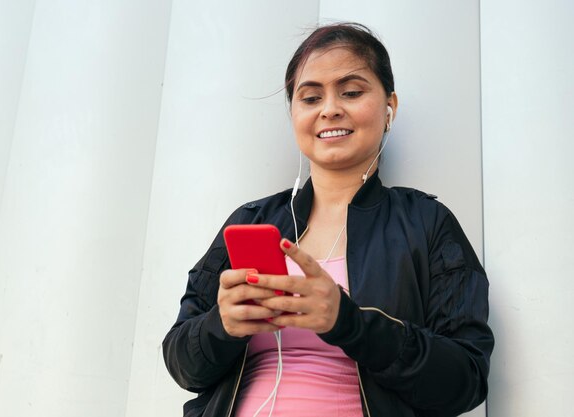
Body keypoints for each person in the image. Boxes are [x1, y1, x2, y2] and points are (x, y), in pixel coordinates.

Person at [162, 22, 494, 417]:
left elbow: (466, 381)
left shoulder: (427, 223)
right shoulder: (250, 221)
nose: (329, 108)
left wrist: (349, 323)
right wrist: (223, 325)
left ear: (390, 107)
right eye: (310, 97)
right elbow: (182, 364)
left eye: (351, 92)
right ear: (294, 115)